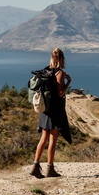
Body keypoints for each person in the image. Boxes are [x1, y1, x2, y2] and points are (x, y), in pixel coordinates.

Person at [30, 48, 72, 178]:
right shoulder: (59, 73)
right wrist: (68, 82)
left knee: (43, 137)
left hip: (45, 109)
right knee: (53, 138)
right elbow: (60, 93)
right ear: (61, 58)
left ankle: (36, 166)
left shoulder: (45, 70)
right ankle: (50, 168)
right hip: (55, 109)